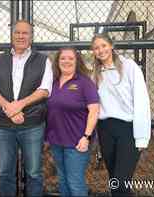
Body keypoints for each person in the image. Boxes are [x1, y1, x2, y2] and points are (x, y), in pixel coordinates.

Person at [0, 20, 53, 196]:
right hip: (4, 125)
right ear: (12, 35)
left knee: (34, 172)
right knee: (5, 172)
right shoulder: (0, 59)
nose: (21, 36)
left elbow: (45, 90)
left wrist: (19, 105)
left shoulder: (43, 60)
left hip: (32, 125)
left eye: (25, 33)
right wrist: (9, 108)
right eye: (17, 33)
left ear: (31, 36)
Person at [91, 33, 151, 197]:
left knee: (121, 184)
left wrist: (142, 136)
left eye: (103, 45)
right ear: (93, 51)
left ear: (111, 45)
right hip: (105, 130)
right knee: (115, 183)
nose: (100, 50)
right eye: (96, 48)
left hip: (127, 129)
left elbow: (141, 100)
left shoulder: (129, 66)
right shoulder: (96, 73)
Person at [46, 47, 100, 196]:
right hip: (56, 140)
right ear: (57, 61)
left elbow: (94, 111)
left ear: (77, 62)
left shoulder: (84, 82)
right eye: (63, 58)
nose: (66, 61)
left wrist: (86, 137)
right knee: (63, 180)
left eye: (71, 58)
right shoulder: (53, 82)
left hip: (77, 142)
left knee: (75, 182)